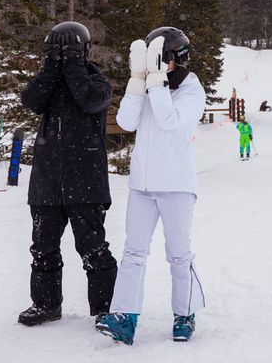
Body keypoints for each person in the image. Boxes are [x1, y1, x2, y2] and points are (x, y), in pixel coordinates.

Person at [96, 27, 206, 345]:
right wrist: (136, 83)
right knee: (133, 252)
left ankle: (184, 313)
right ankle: (124, 317)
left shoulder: (191, 89)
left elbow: (169, 119)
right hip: (142, 185)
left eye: (160, 59)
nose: (155, 64)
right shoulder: (147, 87)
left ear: (174, 58)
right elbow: (128, 122)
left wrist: (155, 83)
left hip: (176, 184)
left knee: (178, 254)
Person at [18, 21, 117, 327]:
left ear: (84, 52)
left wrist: (74, 64)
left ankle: (104, 308)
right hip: (47, 179)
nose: (62, 57)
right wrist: (51, 67)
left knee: (93, 248)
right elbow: (31, 100)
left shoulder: (96, 81)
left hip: (85, 180)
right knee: (43, 246)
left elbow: (89, 99)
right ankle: (46, 304)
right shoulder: (49, 83)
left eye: (69, 50)